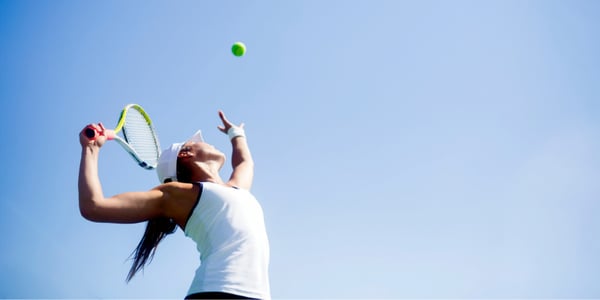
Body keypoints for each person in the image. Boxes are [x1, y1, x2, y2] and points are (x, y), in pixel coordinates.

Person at [78, 110, 270, 299]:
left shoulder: (236, 189)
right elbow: (94, 206)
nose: (206, 142)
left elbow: (245, 163)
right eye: (197, 142)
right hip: (217, 291)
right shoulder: (179, 195)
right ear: (185, 153)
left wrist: (236, 134)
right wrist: (91, 150)